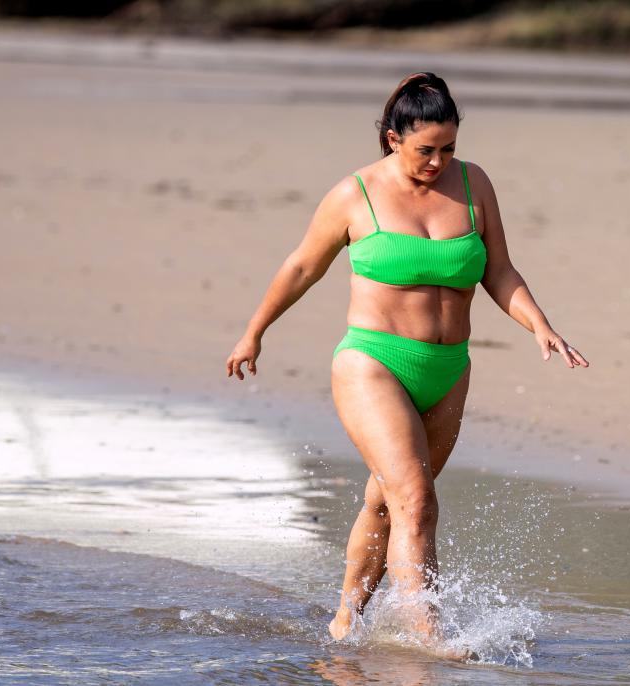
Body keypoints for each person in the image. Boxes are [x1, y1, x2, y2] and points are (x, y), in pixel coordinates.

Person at [225, 72, 588, 646]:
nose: (438, 161)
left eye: (449, 148)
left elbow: (498, 270)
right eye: (425, 150)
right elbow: (301, 267)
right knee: (416, 501)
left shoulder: (474, 185)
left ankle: (345, 622)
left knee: (388, 501)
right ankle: (432, 641)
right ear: (393, 139)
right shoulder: (355, 194)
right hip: (373, 363)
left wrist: (540, 326)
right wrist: (254, 332)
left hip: (448, 370)